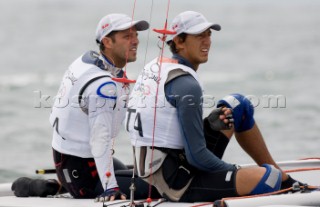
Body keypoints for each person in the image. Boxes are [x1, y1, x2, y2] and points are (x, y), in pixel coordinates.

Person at [125, 11, 304, 202]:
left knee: (238, 105)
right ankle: (281, 180)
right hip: (175, 182)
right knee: (269, 178)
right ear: (178, 42)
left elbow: (167, 127)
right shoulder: (186, 84)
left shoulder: (156, 65)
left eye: (208, 34)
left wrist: (209, 124)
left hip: (166, 162)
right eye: (199, 36)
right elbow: (197, 157)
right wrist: (236, 171)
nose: (207, 41)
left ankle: (285, 181)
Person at [11, 13, 160, 202]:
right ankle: (69, 186)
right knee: (155, 188)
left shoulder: (88, 61)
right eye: (127, 36)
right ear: (107, 42)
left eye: (136, 35)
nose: (136, 41)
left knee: (131, 173)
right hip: (82, 174)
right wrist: (110, 188)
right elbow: (100, 139)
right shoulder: (104, 86)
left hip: (68, 159)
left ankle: (49, 186)